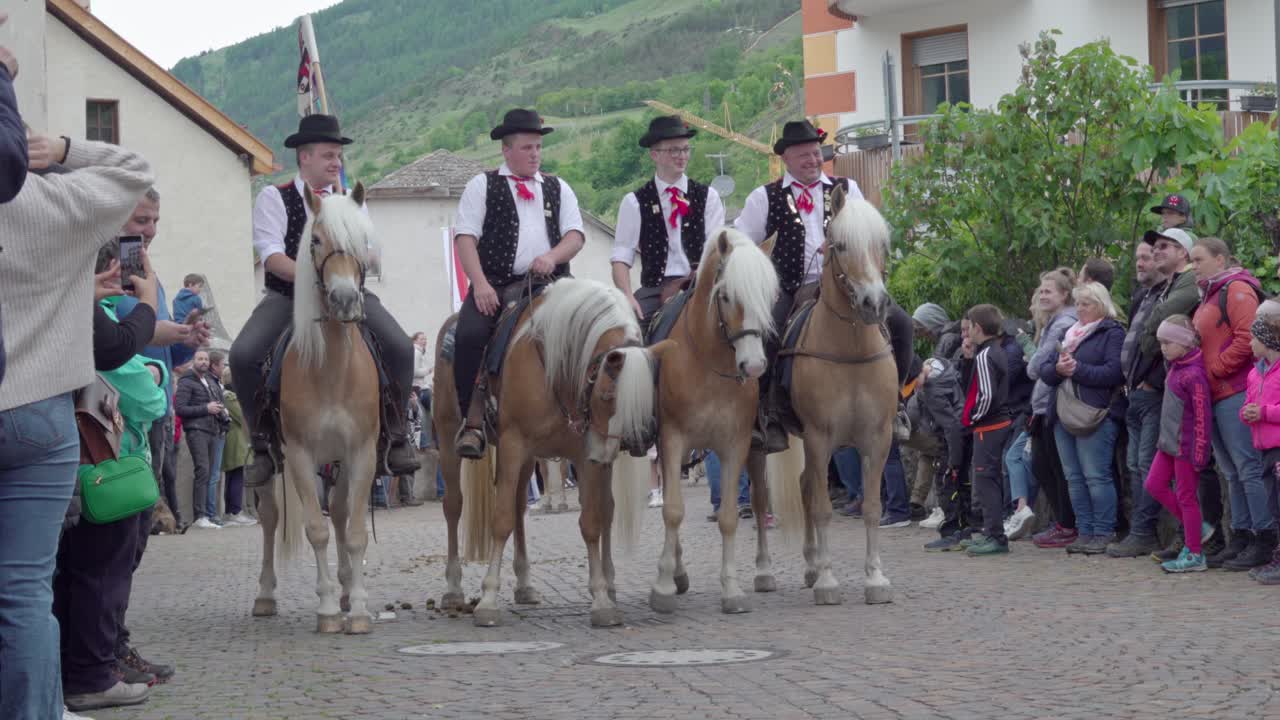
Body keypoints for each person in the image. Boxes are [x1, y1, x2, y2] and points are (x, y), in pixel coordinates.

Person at [1, 130, 152, 720]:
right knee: (23, 594)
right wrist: (63, 149)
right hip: (40, 416)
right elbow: (133, 165)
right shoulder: (56, 205)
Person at [229, 114, 420, 486]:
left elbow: (370, 253)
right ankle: (262, 441)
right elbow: (271, 257)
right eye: (329, 155)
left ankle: (396, 434)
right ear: (305, 157)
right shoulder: (275, 196)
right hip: (289, 298)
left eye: (339, 156)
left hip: (349, 293)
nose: (337, 163)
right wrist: (315, 280)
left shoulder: (351, 202)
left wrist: (348, 274)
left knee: (400, 346)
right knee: (243, 355)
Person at [736, 120, 912, 451]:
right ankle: (768, 412)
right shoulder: (765, 197)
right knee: (767, 332)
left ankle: (897, 402)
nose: (813, 161)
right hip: (790, 285)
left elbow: (868, 233)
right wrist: (764, 282)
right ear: (786, 158)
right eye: (804, 156)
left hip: (847, 284)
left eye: (816, 154)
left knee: (901, 323)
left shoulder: (847, 188)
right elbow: (742, 246)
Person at [58, 250, 168, 712]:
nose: (143, 236)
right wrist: (148, 306)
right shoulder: (72, 286)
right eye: (138, 221)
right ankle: (89, 672)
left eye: (151, 222)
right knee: (100, 572)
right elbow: (139, 386)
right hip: (99, 462)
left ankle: (100, 660)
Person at [451, 109, 586, 458]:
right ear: (506, 150)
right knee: (468, 335)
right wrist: (479, 284)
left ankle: (591, 412)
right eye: (527, 147)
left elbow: (575, 235)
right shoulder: (482, 185)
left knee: (593, 328)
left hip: (553, 282)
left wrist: (553, 257)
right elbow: (465, 238)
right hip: (495, 283)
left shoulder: (558, 187)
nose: (535, 154)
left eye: (538, 147)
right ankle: (473, 421)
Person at [1189, 237, 1273, 570]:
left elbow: (1247, 336)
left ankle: (1263, 538)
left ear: (1220, 260)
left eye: (1198, 260)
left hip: (1234, 390)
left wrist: (1215, 369)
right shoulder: (1210, 293)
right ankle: (1241, 536)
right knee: (1231, 470)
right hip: (1215, 393)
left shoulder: (1236, 289)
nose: (1193, 267)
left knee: (1247, 467)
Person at [1038, 281, 1126, 555]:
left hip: (1095, 414)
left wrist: (1076, 369)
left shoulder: (1112, 332)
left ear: (1101, 305)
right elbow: (1043, 371)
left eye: (1086, 303)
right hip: (1063, 413)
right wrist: (1058, 368)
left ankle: (1103, 530)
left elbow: (1114, 373)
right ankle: (1085, 530)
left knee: (1096, 476)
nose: (1080, 308)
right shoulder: (1069, 333)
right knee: (1073, 478)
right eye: (1077, 303)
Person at [610, 115, 725, 325]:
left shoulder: (709, 197)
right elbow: (621, 257)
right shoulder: (634, 202)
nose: (681, 156)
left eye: (685, 149)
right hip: (655, 290)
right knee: (626, 335)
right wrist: (627, 296)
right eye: (674, 150)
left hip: (700, 284)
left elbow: (716, 249)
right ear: (655, 154)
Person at [1144, 315, 1214, 573]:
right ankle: (1198, 528)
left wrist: (1199, 454)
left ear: (1184, 343)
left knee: (1186, 496)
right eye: (1161, 342)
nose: (1163, 347)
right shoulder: (1175, 367)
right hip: (1168, 444)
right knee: (1153, 484)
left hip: (1185, 446)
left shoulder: (1194, 375)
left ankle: (1195, 554)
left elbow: (1202, 416)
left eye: (1168, 342)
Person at [1027, 268, 1081, 549]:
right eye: (1041, 291)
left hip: (1055, 402)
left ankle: (1067, 524)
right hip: (1043, 403)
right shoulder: (1052, 323)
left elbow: (1035, 367)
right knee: (1042, 464)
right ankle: (1063, 521)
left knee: (1055, 467)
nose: (1042, 295)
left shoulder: (1063, 324)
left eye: (1048, 291)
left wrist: (1035, 361)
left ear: (1064, 295)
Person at [959, 305, 1013, 556]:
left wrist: (973, 418)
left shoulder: (985, 355)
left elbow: (987, 394)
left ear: (977, 328)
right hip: (998, 422)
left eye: (969, 326)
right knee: (989, 478)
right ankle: (992, 531)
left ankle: (995, 536)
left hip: (989, 425)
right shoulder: (995, 351)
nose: (967, 331)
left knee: (985, 479)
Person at [1241, 304, 1280, 584]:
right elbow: (1247, 404)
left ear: (1266, 341)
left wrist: (1264, 412)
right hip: (1263, 448)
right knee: (1273, 505)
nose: (1249, 343)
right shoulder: (1254, 373)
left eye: (1253, 338)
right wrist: (1248, 412)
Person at [176, 350, 227, 529]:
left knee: (208, 473)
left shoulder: (207, 382)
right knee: (203, 471)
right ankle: (200, 516)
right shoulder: (186, 381)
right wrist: (206, 408)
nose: (204, 362)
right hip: (197, 431)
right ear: (193, 362)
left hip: (212, 430)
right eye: (200, 359)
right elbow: (180, 408)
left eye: (206, 359)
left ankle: (206, 515)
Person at [220, 366, 254, 525]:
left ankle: (232, 510)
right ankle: (234, 511)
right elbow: (242, 416)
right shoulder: (230, 396)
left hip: (236, 439)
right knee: (236, 475)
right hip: (235, 440)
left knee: (235, 475)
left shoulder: (229, 395)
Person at [169, 274, 206, 368]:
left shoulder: (176, 299)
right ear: (190, 285)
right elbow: (199, 316)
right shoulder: (196, 299)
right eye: (199, 286)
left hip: (178, 327)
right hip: (192, 328)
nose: (200, 290)